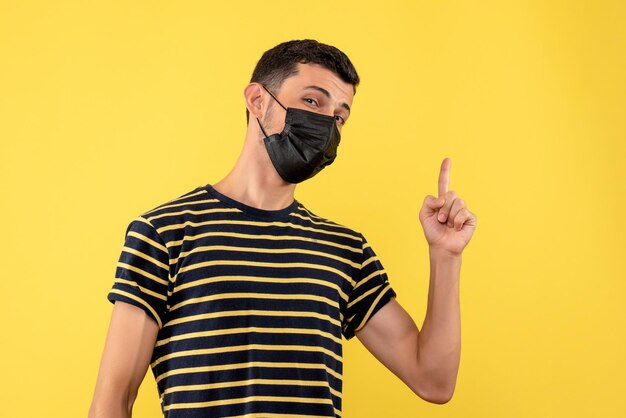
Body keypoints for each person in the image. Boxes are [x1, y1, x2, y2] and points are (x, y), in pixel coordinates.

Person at [89, 39, 477, 418]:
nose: (326, 124)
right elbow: (113, 402)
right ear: (257, 100)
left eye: (339, 117)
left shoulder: (344, 250)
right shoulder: (165, 233)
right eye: (312, 101)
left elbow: (434, 381)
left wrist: (446, 255)